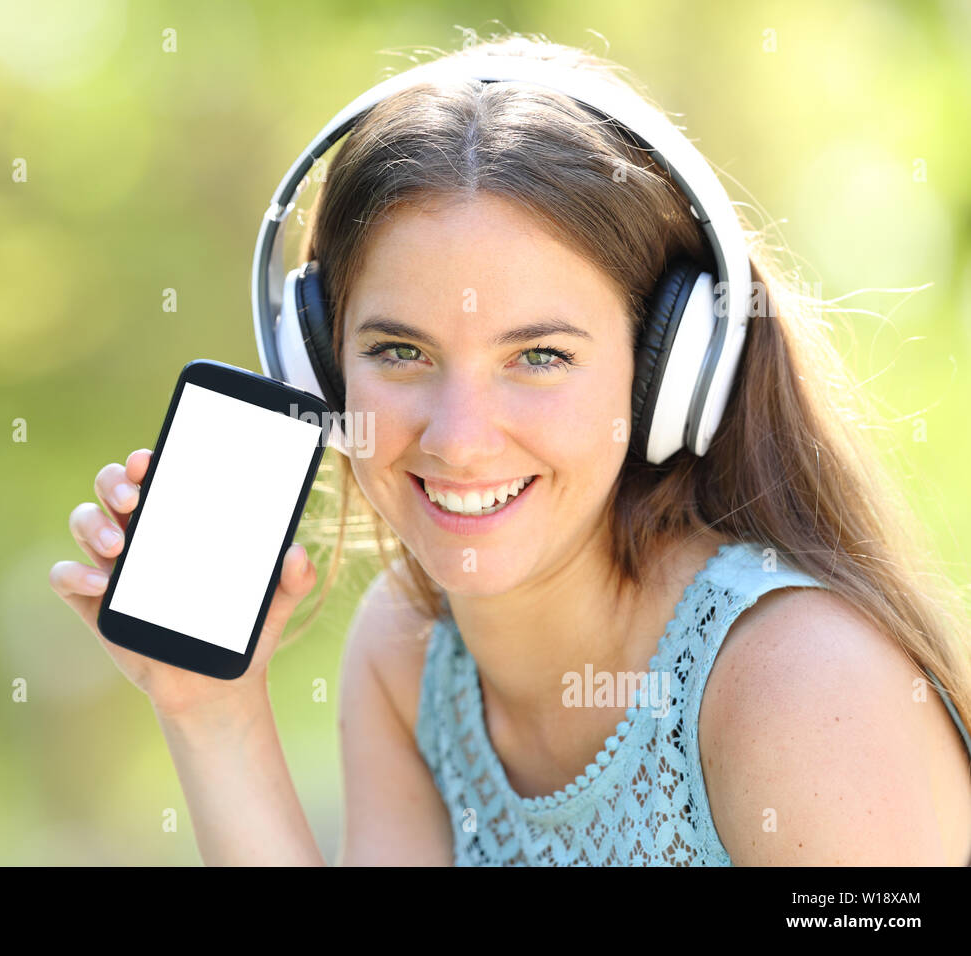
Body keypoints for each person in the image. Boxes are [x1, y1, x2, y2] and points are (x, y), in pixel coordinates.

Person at [50, 33, 971, 865]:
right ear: (322, 367)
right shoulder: (409, 659)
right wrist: (213, 714)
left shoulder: (802, 685)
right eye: (399, 352)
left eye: (539, 356)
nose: (457, 438)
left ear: (663, 374)